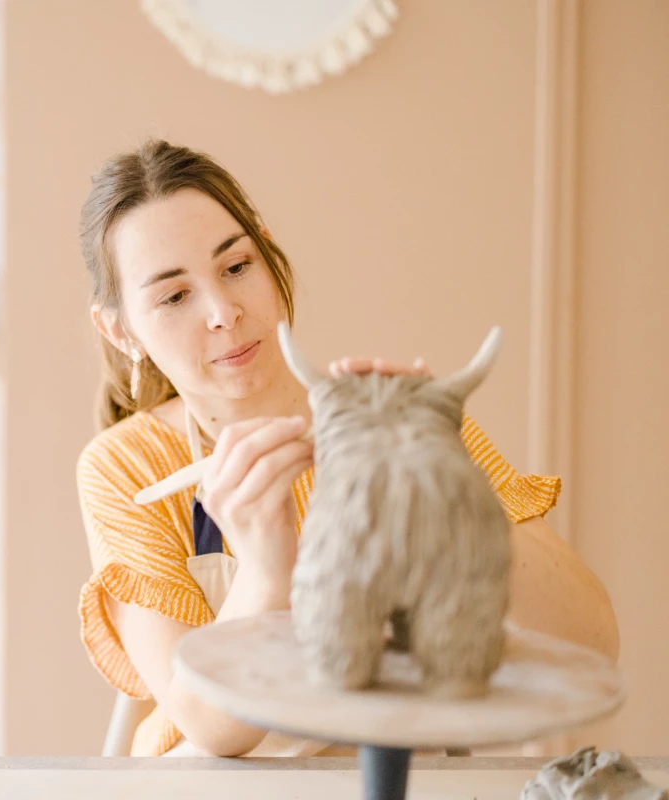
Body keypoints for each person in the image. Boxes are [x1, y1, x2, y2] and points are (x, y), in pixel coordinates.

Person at [74, 139, 620, 758]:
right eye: (174, 296)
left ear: (268, 252)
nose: (223, 311)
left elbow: (592, 641)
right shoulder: (124, 468)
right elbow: (211, 728)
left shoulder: (408, 419)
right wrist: (264, 567)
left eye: (236, 267)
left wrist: (441, 487)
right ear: (120, 330)